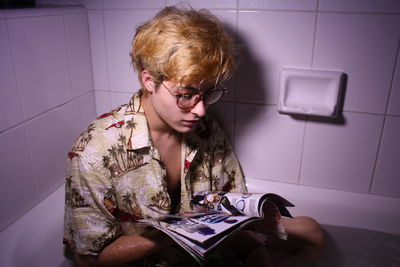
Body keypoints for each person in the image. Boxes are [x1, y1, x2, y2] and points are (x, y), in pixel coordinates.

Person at [63, 6, 325, 267]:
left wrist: (258, 253)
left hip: (207, 253)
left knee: (311, 232)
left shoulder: (205, 129)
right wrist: (176, 233)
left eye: (208, 93)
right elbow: (88, 260)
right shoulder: (94, 151)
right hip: (148, 260)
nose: (200, 110)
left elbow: (231, 216)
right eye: (186, 95)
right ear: (149, 80)